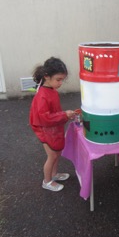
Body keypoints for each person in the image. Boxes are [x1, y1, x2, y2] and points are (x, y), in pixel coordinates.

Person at [29, 57, 76, 192]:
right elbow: (44, 117)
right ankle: (47, 181)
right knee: (52, 155)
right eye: (58, 79)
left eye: (62, 79)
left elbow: (52, 113)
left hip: (52, 127)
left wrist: (64, 115)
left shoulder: (51, 90)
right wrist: (64, 115)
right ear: (46, 77)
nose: (61, 83)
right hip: (45, 129)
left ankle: (54, 175)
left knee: (57, 152)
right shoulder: (43, 95)